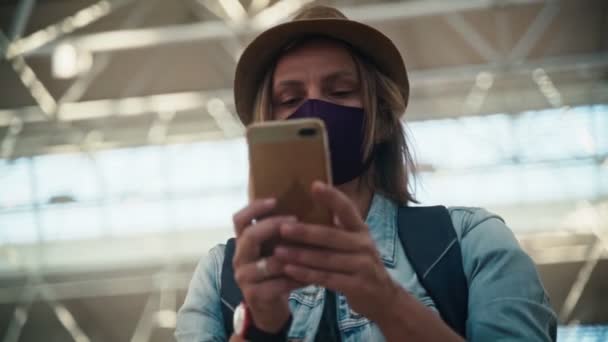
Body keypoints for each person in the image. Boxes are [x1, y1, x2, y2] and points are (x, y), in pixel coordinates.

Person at [175, 5, 557, 342]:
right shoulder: (219, 276)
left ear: (384, 119)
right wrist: (261, 330)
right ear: (264, 124)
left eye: (340, 91)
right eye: (289, 100)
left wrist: (388, 302)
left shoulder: (468, 243)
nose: (315, 107)